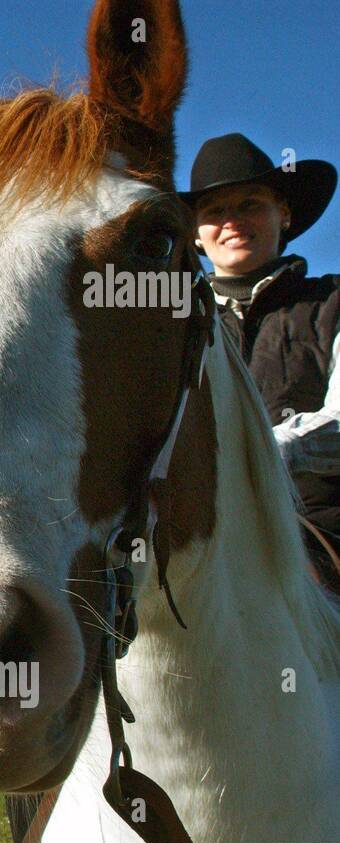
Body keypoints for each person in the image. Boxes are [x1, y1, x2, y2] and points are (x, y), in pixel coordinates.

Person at [181, 133, 340, 587]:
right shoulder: (173, 322)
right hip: (195, 541)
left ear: (283, 213)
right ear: (195, 233)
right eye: (213, 211)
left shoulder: (333, 300)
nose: (232, 221)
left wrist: (246, 456)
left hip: (318, 534)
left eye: (250, 204)